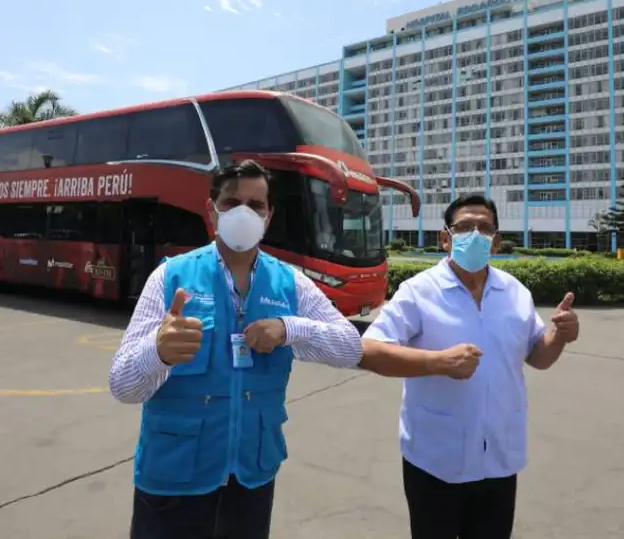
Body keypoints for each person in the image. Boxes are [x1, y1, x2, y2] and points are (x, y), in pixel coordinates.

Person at [109, 160, 481, 539]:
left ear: (268, 216)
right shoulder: (170, 277)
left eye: (255, 205)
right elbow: (122, 385)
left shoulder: (289, 282)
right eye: (231, 202)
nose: (244, 213)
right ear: (211, 210)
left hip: (251, 481)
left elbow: (350, 346)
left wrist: (289, 328)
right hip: (174, 482)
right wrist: (158, 352)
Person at [362, 193, 581, 539]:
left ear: (497, 240)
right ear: (445, 238)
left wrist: (560, 335)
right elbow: (370, 350)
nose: (475, 235)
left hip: (499, 459)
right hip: (436, 460)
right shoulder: (418, 292)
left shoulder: (515, 293)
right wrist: (437, 362)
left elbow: (539, 356)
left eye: (484, 228)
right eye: (464, 227)